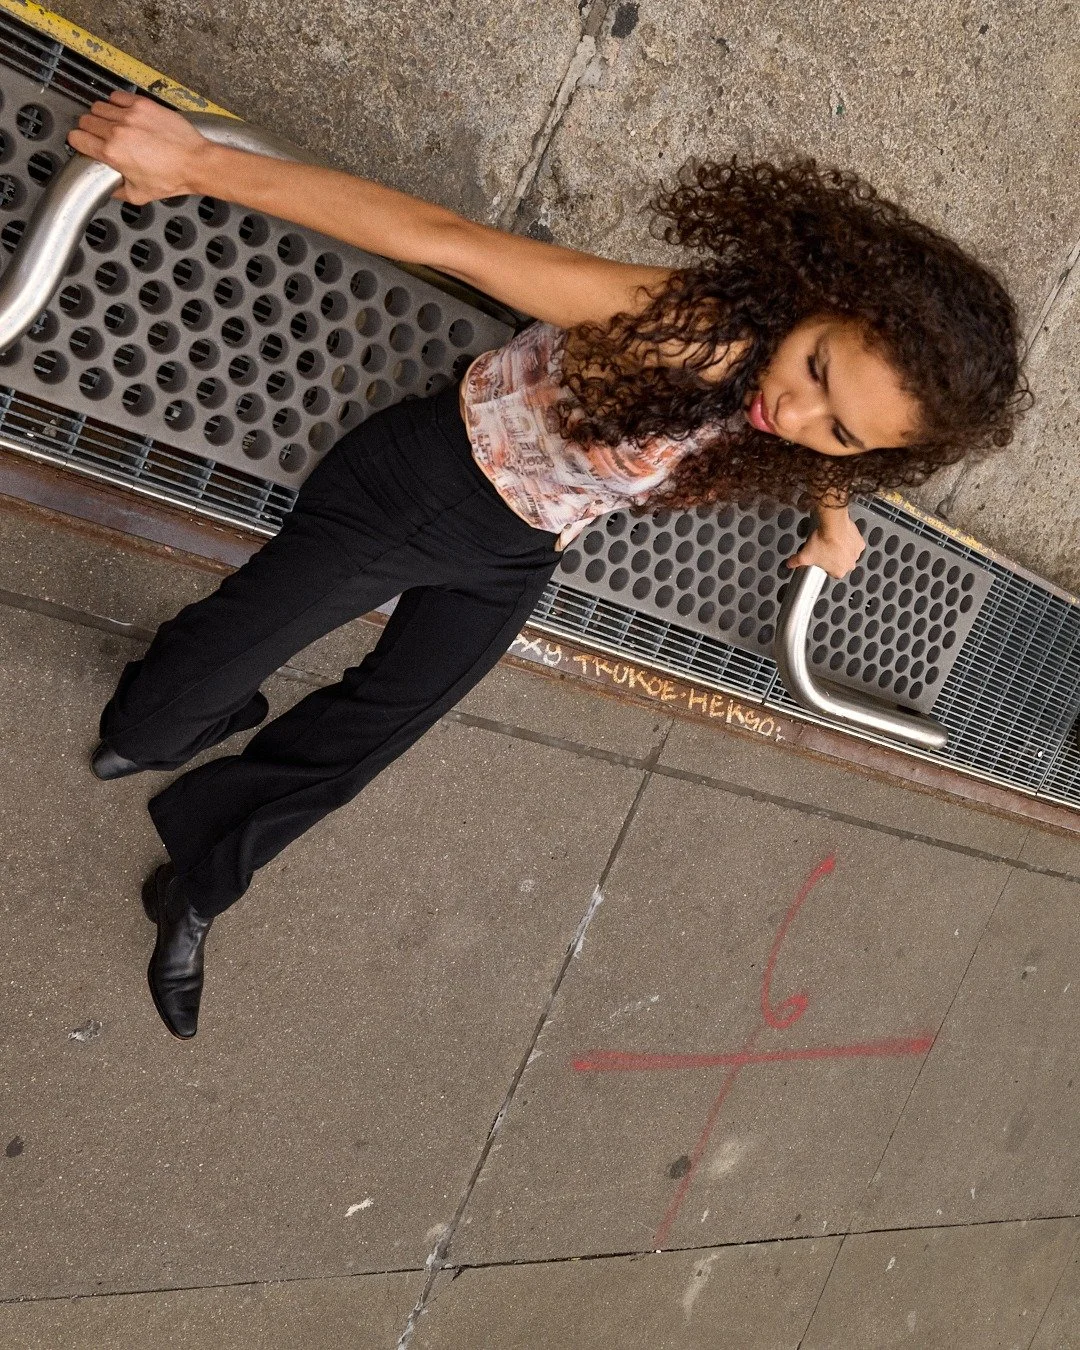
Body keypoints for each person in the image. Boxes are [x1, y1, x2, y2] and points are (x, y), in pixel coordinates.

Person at [68, 92, 1029, 1040]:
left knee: (373, 734)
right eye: (816, 368)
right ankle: (187, 707)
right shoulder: (695, 327)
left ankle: (196, 885)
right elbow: (444, 238)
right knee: (153, 720)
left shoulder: (799, 410)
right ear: (828, 298)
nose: (800, 412)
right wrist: (196, 166)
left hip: (519, 548)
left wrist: (831, 517)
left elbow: (811, 434)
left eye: (844, 433)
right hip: (426, 480)